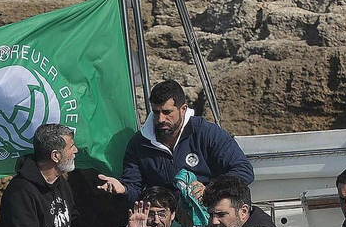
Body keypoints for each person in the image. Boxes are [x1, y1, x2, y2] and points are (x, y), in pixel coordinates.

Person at [101, 80, 254, 204]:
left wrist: (210, 190)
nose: (161, 119)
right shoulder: (139, 143)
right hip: (166, 222)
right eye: (156, 112)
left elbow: (243, 170)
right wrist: (123, 190)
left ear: (183, 109)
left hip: (209, 213)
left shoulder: (207, 133)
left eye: (167, 112)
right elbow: (134, 190)